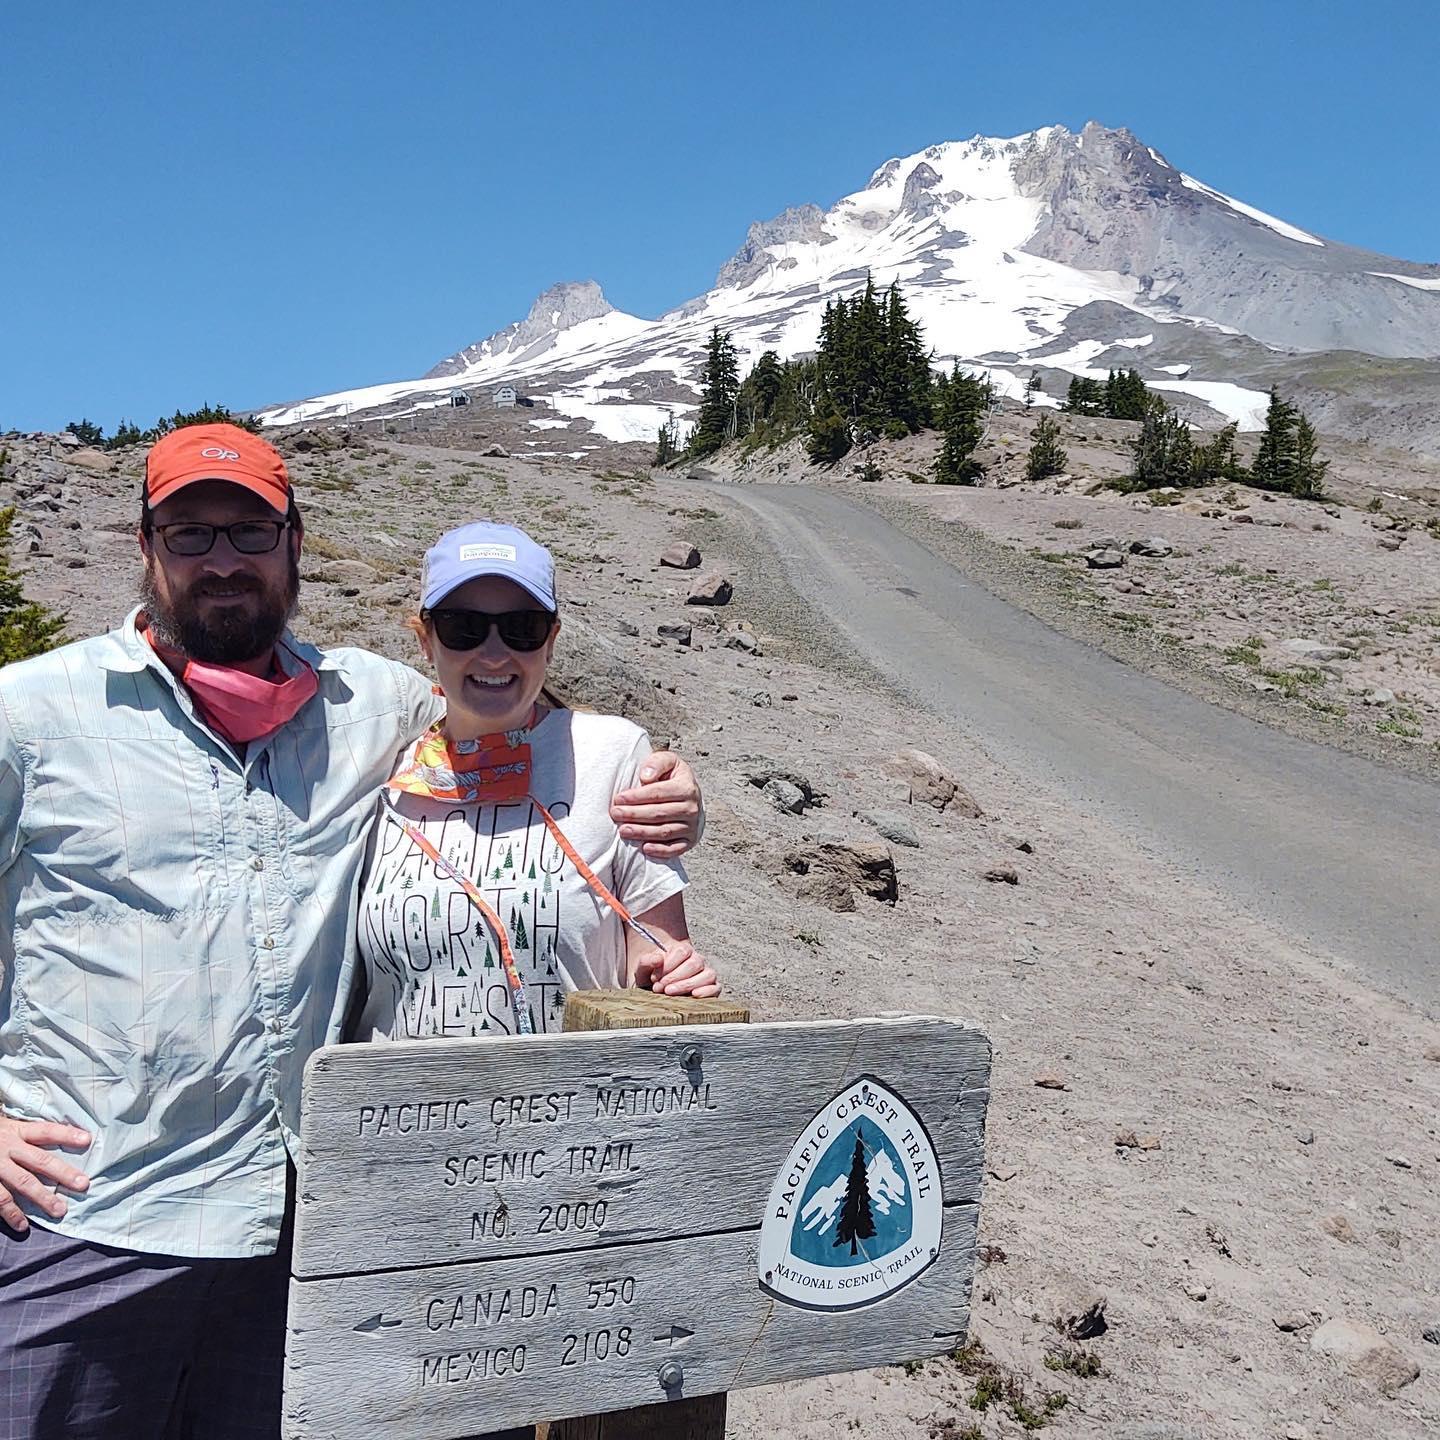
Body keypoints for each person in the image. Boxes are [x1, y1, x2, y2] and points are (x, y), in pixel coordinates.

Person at [0, 423, 704, 1440]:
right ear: (143, 544)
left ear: (296, 544)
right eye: (191, 532)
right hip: (87, 1226)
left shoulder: (372, 704)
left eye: (252, 531)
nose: (224, 559)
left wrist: (671, 794)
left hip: (296, 1241)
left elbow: (513, 709)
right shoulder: (30, 710)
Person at [355, 521, 718, 1046]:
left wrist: (667, 976)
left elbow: (656, 944)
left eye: (521, 627)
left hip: (565, 1113)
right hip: (407, 1116)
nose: (495, 652)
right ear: (425, 641)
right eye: (463, 627)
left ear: (551, 641)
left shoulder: (616, 757)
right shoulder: (380, 770)